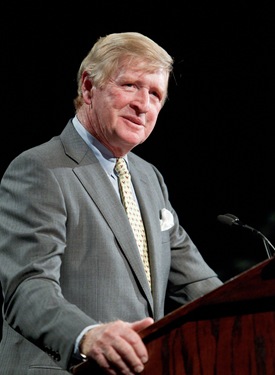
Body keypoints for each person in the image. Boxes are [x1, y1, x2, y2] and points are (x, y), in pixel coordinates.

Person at [0, 32, 223, 374]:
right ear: (88, 87)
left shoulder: (150, 179)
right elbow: (27, 287)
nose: (143, 103)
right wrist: (87, 335)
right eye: (131, 85)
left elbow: (197, 286)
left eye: (155, 94)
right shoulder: (41, 169)